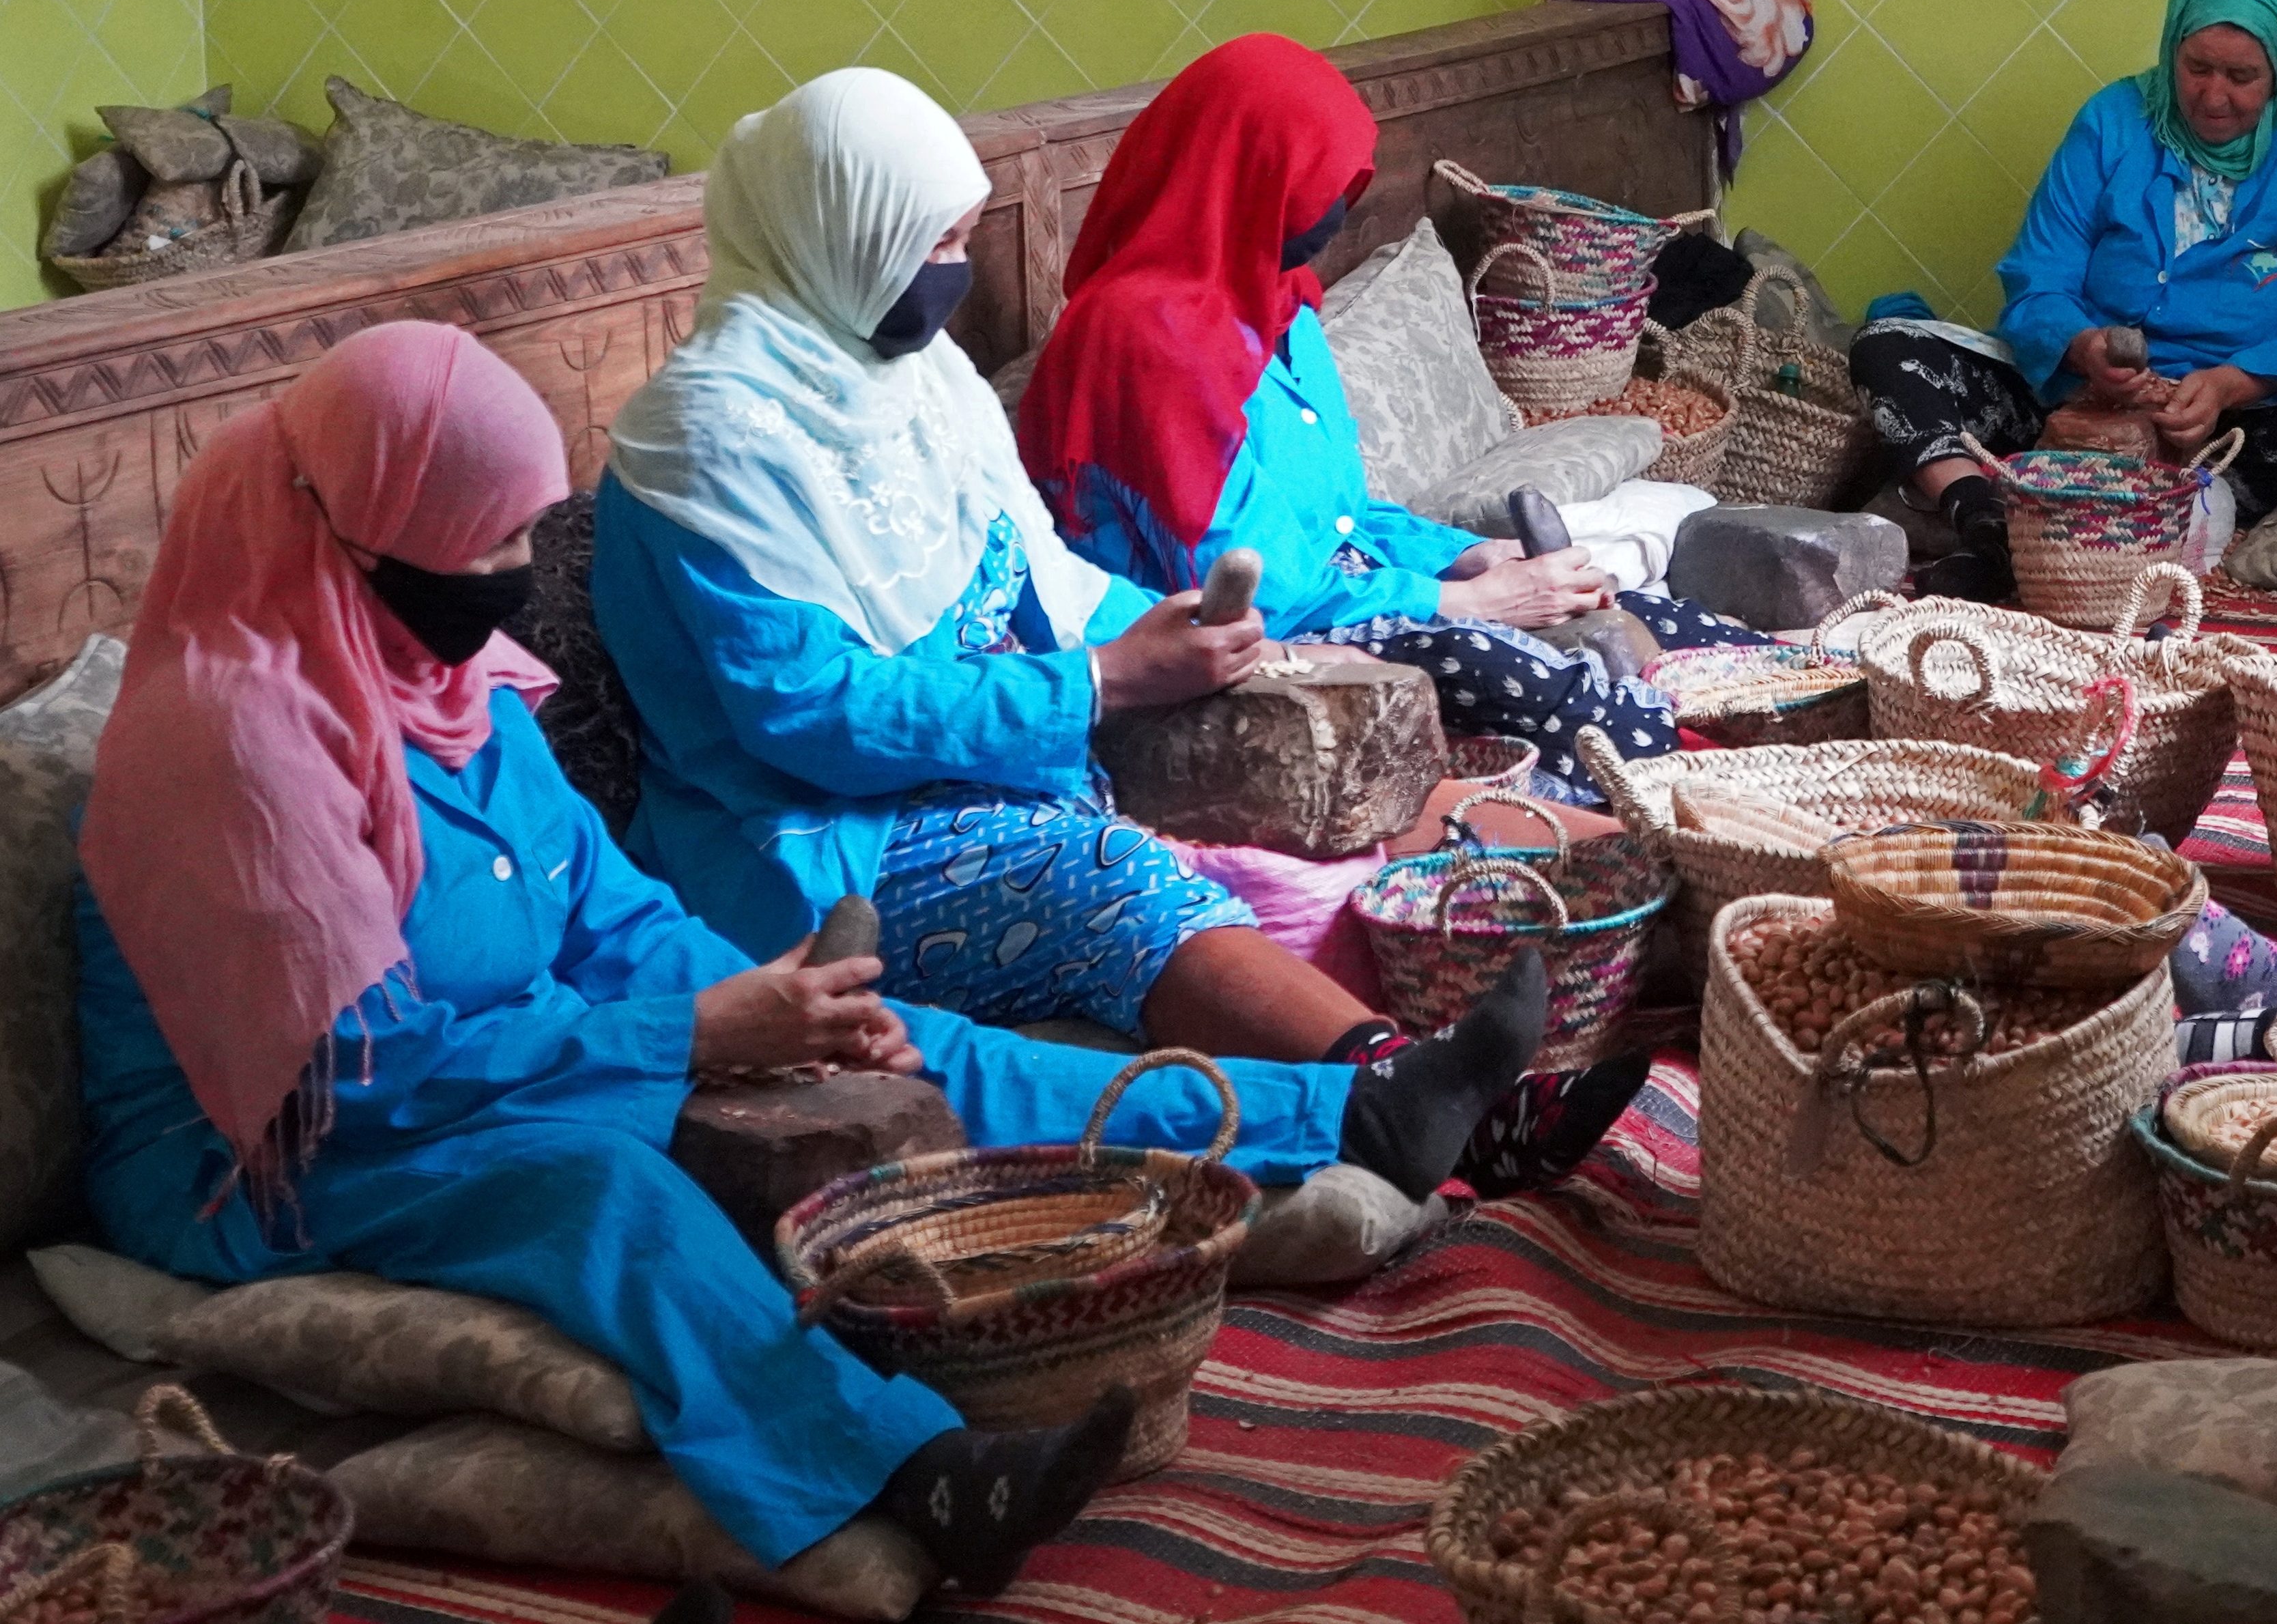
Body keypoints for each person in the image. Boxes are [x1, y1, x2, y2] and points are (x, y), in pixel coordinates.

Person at [70, 322, 1556, 1588]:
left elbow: (609, 914)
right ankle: (911, 1476)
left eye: (526, 536)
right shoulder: (234, 750)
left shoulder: (449, 680)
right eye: (485, 547)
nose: (515, 581)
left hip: (518, 1048)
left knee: (908, 1044)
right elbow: (359, 1070)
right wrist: (682, 1042)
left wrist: (777, 1013)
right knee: (597, 1192)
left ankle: (1359, 1116)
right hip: (285, 1146)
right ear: (357, 533)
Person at [588, 69, 1644, 1188]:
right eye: (929, 244)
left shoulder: (917, 378)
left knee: (1330, 761)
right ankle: (1401, 1099)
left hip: (1011, 746)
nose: (948, 275)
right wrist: (1098, 681)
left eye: (958, 241)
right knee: (1106, 870)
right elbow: (811, 716)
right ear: (831, 234)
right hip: (819, 835)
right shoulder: (710, 446)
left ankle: (1659, 881)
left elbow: (1041, 576)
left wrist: (1217, 646)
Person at [1012, 33, 1772, 803]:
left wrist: (1466, 557)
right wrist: (1462, 603)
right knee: (1569, 697)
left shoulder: (1277, 302)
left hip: (1347, 592)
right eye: (1317, 190)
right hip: (1237, 646)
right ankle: (1725, 818)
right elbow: (1250, 589)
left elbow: (1344, 518)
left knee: (1660, 622)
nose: (1337, 214)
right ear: (1245, 180)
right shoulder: (1145, 341)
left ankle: (1801, 747)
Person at [1847, 0, 2277, 599]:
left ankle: (2145, 502)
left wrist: (2224, 385)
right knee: (1886, 345)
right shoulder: (2113, 121)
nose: (2213, 95)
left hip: (2225, 430)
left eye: (2242, 76)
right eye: (2196, 67)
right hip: (2076, 404)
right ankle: (1985, 516)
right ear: (2171, 51)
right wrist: (2084, 347)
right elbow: (2039, 276)